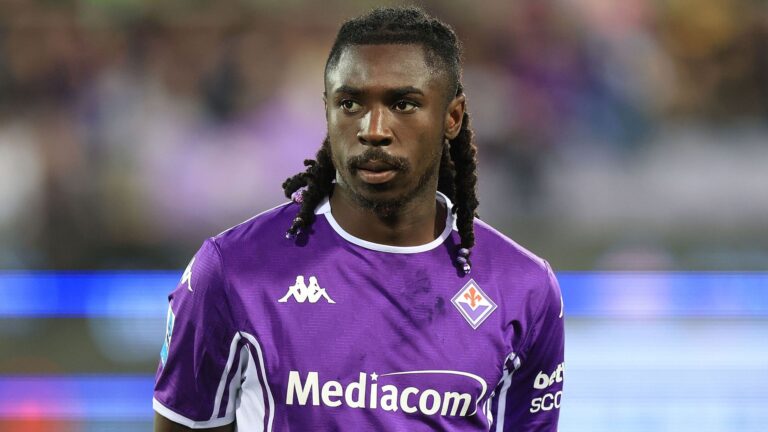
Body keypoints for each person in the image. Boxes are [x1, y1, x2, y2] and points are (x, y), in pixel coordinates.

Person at [153, 6, 564, 431]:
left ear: (452, 118)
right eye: (349, 103)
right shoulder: (232, 270)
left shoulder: (524, 288)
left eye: (403, 104)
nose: (373, 129)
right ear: (327, 110)